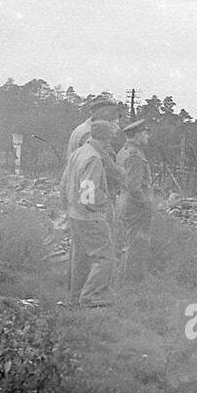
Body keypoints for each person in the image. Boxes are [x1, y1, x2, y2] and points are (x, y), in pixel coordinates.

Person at [62, 119, 119, 308]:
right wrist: (106, 201)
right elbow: (88, 195)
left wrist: (68, 206)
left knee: (80, 258)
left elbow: (63, 184)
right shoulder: (94, 158)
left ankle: (75, 296)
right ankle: (91, 297)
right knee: (104, 256)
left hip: (74, 213)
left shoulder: (78, 153)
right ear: (107, 140)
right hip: (90, 216)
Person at [115, 118, 154, 283]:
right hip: (135, 206)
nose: (147, 137)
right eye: (145, 133)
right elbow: (134, 187)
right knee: (136, 245)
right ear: (136, 135)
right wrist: (146, 205)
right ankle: (129, 281)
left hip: (125, 202)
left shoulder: (124, 151)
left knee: (129, 243)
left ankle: (127, 278)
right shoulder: (135, 156)